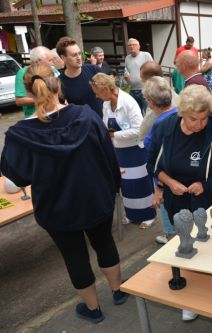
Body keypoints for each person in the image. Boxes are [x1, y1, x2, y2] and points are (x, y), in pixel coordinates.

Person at [1, 64, 128, 324]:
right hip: (96, 198)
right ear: (58, 86)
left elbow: (16, 179)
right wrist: (115, 186)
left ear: (29, 91)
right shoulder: (86, 116)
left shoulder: (20, 134)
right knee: (104, 243)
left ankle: (93, 309)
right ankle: (118, 292)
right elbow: (108, 156)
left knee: (74, 256)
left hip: (57, 207)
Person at [147, 85, 212, 320]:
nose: (199, 125)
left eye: (204, 118)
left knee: (208, 246)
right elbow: (152, 165)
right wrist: (168, 182)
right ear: (181, 113)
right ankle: (190, 298)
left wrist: (204, 185)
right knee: (184, 244)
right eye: (193, 119)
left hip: (205, 202)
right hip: (175, 201)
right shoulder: (166, 129)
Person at [91, 73, 156, 229]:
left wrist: (114, 134)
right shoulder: (106, 104)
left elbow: (139, 130)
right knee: (126, 184)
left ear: (106, 89)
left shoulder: (128, 102)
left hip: (135, 151)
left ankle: (149, 215)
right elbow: (105, 124)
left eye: (97, 92)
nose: (96, 96)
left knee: (140, 184)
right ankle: (131, 214)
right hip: (119, 151)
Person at [142, 76, 178, 244]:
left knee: (169, 221)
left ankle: (172, 242)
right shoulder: (178, 114)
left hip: (163, 181)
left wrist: (160, 188)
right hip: (178, 179)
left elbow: (157, 156)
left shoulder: (160, 123)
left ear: (150, 102)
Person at [56, 36, 103, 118]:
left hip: (103, 122)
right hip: (82, 126)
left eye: (79, 53)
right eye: (74, 55)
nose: (79, 58)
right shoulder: (59, 82)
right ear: (63, 58)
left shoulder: (94, 70)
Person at [138, 61, 179, 143]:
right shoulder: (176, 96)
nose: (143, 84)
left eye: (143, 81)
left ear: (150, 81)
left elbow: (144, 132)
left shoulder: (155, 101)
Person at [15, 46, 56, 118]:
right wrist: (43, 98)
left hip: (53, 112)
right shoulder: (23, 73)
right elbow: (19, 101)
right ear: (38, 61)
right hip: (34, 117)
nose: (52, 63)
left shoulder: (52, 70)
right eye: (49, 60)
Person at [125, 38, 153, 114]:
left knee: (147, 113)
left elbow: (153, 69)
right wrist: (127, 77)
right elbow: (126, 72)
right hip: (132, 90)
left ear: (139, 46)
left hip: (145, 89)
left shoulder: (146, 55)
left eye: (134, 45)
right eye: (129, 45)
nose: (131, 47)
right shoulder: (127, 58)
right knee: (135, 113)